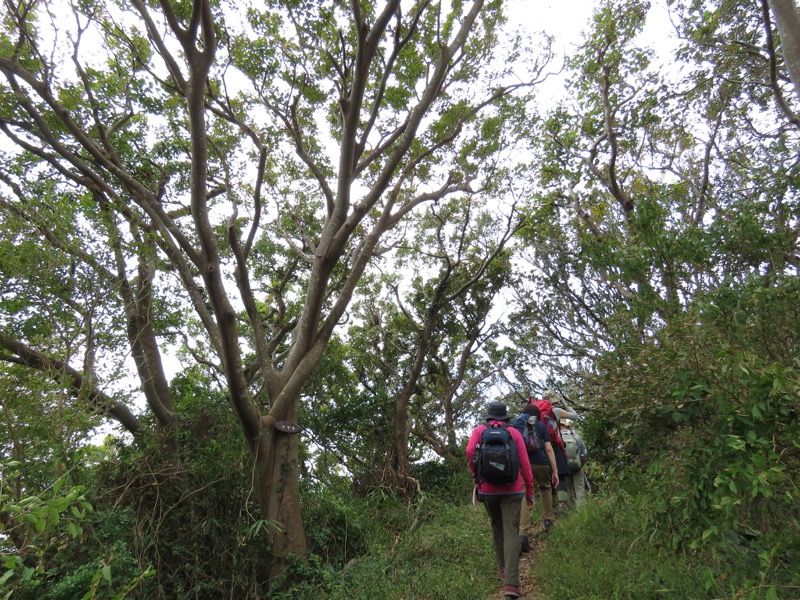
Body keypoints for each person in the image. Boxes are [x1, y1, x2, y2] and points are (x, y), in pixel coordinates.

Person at [466, 401, 535, 599]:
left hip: (487, 490)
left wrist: (476, 474)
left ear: (489, 416)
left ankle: (503, 568)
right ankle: (511, 584)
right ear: (505, 417)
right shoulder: (513, 433)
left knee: (497, 527)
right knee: (511, 532)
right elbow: (525, 464)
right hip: (512, 490)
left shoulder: (480, 431)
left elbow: (470, 451)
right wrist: (529, 492)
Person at [515, 404, 560, 532]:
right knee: (545, 487)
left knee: (522, 493)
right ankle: (548, 519)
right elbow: (549, 448)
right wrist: (555, 471)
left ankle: (524, 528)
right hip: (540, 461)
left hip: (522, 463)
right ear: (537, 415)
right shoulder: (541, 426)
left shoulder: (516, 424)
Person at [559, 418, 589, 509]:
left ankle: (571, 511)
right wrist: (580, 464)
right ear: (567, 426)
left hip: (565, 467)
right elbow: (584, 452)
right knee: (579, 488)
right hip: (577, 466)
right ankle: (582, 512)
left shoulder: (557, 438)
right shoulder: (576, 437)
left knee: (569, 488)